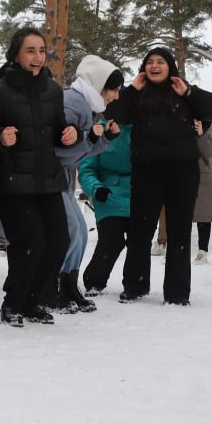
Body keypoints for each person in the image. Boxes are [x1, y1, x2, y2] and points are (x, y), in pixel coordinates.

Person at [103, 46, 212, 306]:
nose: (154, 66)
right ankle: (135, 285)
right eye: (150, 62)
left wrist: (189, 92)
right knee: (140, 230)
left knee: (179, 232)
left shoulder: (184, 92)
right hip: (146, 170)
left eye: (160, 62)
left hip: (182, 172)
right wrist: (132, 88)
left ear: (171, 67)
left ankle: (177, 293)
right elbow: (112, 114)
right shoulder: (136, 95)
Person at [0, 27, 78, 326]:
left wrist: (71, 135)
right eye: (30, 51)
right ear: (16, 54)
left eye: (41, 50)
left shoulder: (53, 90)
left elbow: (59, 133)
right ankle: (13, 303)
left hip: (47, 179)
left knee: (59, 241)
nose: (38, 57)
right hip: (11, 182)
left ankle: (33, 301)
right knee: (30, 242)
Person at [51, 54, 124, 313]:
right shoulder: (73, 103)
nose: (114, 97)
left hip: (62, 178)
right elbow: (61, 149)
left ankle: (69, 284)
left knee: (80, 231)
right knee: (70, 231)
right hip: (52, 177)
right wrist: (91, 139)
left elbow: (80, 150)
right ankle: (55, 288)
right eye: (113, 90)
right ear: (99, 84)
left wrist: (104, 140)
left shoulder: (86, 105)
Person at [77, 119, 132, 296]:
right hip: (108, 194)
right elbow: (86, 170)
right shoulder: (100, 129)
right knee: (112, 238)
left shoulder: (140, 128)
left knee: (139, 240)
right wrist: (96, 188)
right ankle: (94, 280)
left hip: (137, 194)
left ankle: (134, 284)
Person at [192, 121, 212, 264]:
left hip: (202, 177)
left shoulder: (206, 135)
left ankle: (203, 251)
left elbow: (208, 154)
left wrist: (201, 134)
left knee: (203, 216)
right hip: (182, 175)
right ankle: (177, 248)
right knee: (180, 216)